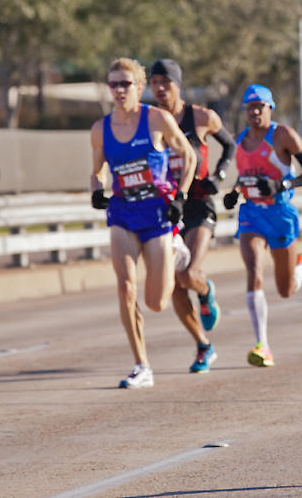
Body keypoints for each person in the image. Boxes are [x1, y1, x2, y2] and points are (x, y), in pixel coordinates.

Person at [89, 57, 196, 388]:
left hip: (157, 213)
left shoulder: (157, 119)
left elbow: (188, 155)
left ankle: (175, 250)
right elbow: (97, 171)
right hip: (122, 211)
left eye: (125, 83)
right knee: (125, 286)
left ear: (138, 87)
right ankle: (142, 365)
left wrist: (180, 196)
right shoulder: (100, 129)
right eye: (114, 84)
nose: (119, 90)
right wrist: (97, 190)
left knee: (157, 302)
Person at [223, 84, 302, 367]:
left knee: (286, 289)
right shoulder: (240, 140)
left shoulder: (283, 135)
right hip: (252, 214)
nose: (254, 112)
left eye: (259, 107)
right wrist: (233, 192)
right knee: (253, 270)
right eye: (249, 107)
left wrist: (282, 184)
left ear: (270, 108)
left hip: (280, 213)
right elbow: (246, 177)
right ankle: (262, 345)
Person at [149, 59, 235, 374]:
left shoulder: (201, 117)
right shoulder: (151, 120)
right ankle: (203, 345)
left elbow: (230, 145)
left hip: (199, 205)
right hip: (168, 209)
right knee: (173, 283)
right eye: (154, 81)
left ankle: (206, 290)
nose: (159, 88)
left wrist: (220, 175)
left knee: (189, 274)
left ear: (178, 84)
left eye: (165, 82)